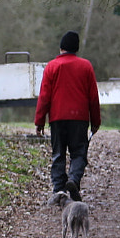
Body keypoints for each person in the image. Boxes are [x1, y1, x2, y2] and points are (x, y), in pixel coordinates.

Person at [35, 30, 101, 201]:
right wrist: (95, 121)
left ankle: (58, 190)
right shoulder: (86, 66)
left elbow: (44, 96)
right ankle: (73, 179)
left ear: (61, 48)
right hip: (79, 118)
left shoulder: (52, 67)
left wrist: (40, 121)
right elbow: (93, 97)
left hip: (57, 118)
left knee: (58, 154)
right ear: (76, 48)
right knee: (79, 153)